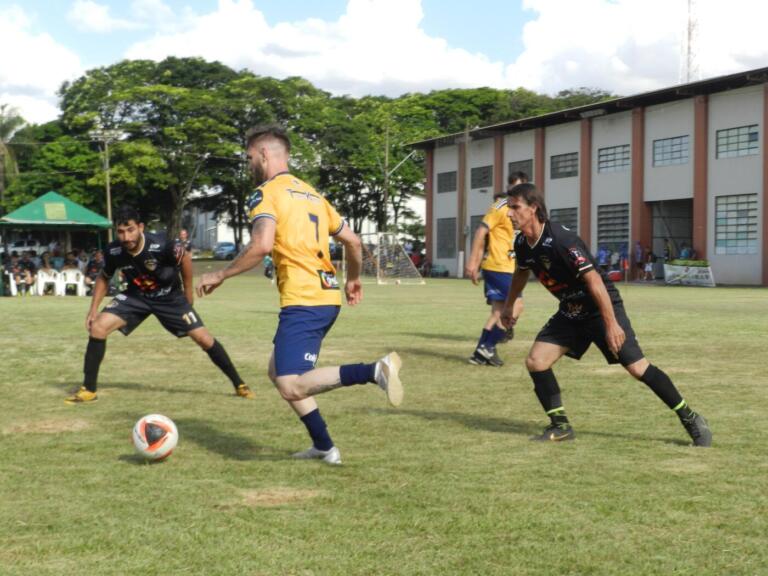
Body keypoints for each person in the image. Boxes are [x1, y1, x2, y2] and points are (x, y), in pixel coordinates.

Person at [196, 124, 403, 465]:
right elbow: (353, 242)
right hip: (325, 296)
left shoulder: (266, 193)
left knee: (291, 385)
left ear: (264, 154)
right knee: (277, 371)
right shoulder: (313, 195)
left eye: (249, 157)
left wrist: (220, 273)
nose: (248, 164)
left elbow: (261, 245)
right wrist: (353, 279)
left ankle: (374, 371)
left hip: (304, 300)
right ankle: (323, 446)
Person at [500, 183, 711, 446]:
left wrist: (611, 325)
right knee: (536, 361)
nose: (509, 213)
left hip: (600, 307)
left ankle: (690, 418)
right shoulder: (522, 243)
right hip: (571, 310)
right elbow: (521, 272)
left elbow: (595, 281)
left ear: (533, 208)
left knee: (637, 368)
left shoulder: (562, 240)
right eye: (509, 207)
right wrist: (509, 305)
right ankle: (560, 426)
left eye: (515, 207)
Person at [65, 206, 254, 404]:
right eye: (120, 232)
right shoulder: (114, 250)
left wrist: (188, 294)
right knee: (98, 327)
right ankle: (89, 390)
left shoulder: (162, 244)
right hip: (136, 296)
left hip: (170, 298)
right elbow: (104, 277)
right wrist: (93, 310)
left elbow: (185, 259)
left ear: (140, 227)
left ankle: (239, 384)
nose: (126, 237)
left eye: (130, 230)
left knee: (203, 339)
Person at [463, 171, 528, 366]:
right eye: (513, 187)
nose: (516, 191)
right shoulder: (500, 206)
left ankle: (479, 354)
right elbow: (481, 231)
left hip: (509, 266)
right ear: (508, 187)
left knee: (497, 312)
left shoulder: (520, 209)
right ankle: (488, 347)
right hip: (498, 266)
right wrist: (472, 261)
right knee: (517, 306)